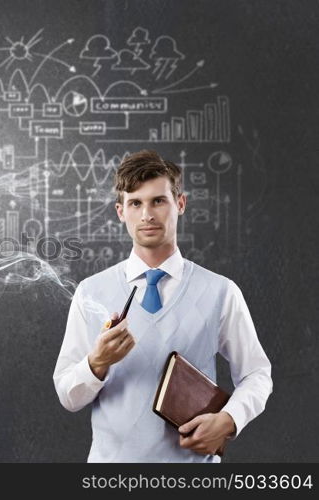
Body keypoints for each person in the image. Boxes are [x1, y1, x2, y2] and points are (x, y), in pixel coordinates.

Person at [52, 150, 272, 462]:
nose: (147, 215)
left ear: (180, 204)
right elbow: (68, 396)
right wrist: (97, 363)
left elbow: (257, 373)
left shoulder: (220, 292)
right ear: (120, 211)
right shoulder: (91, 293)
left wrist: (228, 420)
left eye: (158, 201)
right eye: (135, 203)